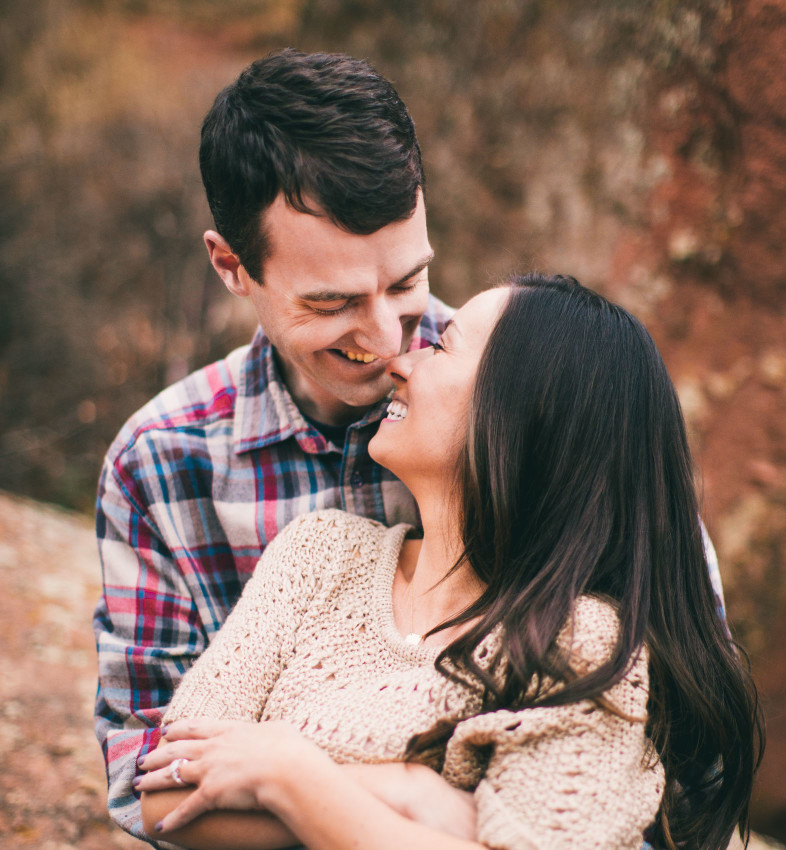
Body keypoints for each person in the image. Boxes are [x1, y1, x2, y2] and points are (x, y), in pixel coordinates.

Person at [93, 48, 728, 845]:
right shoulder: (162, 465)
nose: (389, 340)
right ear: (232, 266)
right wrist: (423, 806)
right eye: (332, 302)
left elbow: (675, 759)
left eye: (404, 284)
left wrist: (293, 774)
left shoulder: (549, 408)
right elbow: (151, 779)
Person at [134, 275, 763, 850]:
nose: (400, 364)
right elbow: (166, 797)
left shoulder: (583, 642)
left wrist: (288, 774)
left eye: (442, 346)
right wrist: (408, 797)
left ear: (521, 413)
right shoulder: (317, 556)